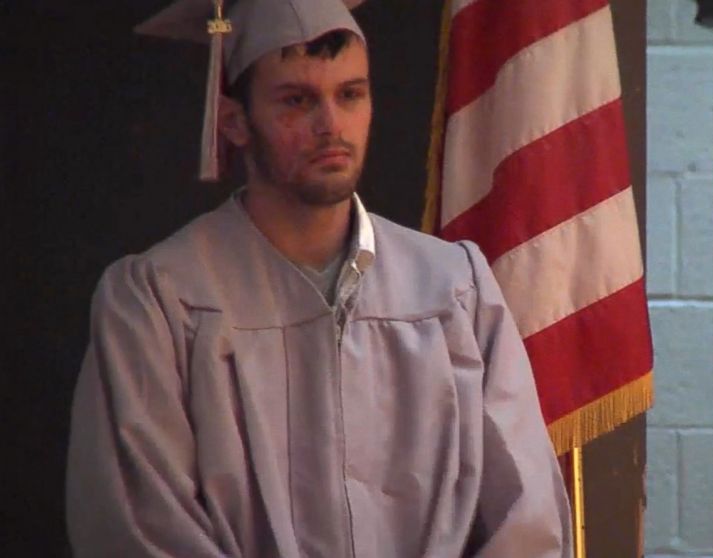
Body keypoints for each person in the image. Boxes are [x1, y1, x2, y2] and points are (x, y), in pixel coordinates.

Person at [65, 0, 572, 556]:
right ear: (234, 121)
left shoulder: (455, 287)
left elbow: (527, 518)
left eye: (350, 94)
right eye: (297, 100)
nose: (331, 124)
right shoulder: (159, 299)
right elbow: (141, 528)